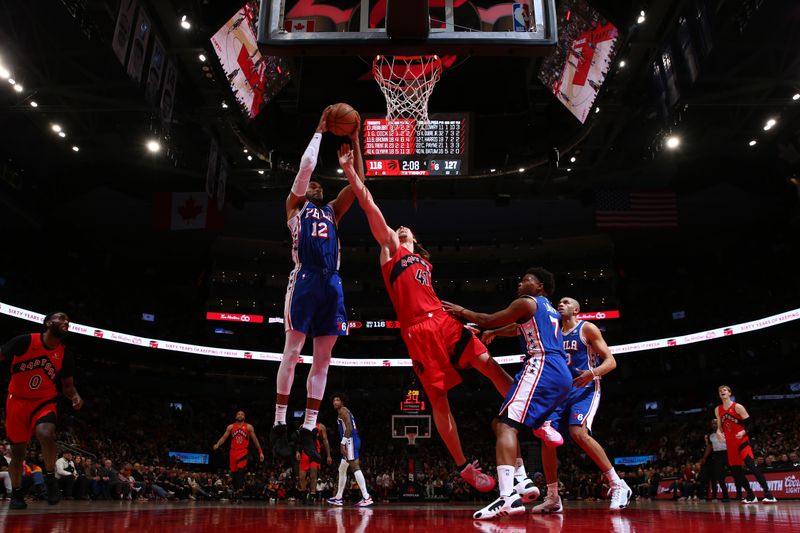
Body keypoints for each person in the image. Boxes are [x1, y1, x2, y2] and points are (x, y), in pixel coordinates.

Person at [337, 147, 520, 494]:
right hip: (418, 332)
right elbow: (370, 207)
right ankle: (464, 468)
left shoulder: (424, 262)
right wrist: (351, 173)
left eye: (408, 228)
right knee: (439, 402)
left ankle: (530, 412)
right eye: (399, 226)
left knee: (491, 365)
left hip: (445, 320)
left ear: (417, 240)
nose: (402, 226)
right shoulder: (391, 250)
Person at [272, 106, 365, 464]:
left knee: (323, 359)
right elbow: (305, 168)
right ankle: (280, 423)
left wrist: (355, 143)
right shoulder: (295, 207)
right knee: (293, 353)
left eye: (319, 186)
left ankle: (308, 428)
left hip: (332, 284)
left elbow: (359, 185)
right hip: (305, 278)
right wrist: (320, 129)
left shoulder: (333, 211)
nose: (315, 185)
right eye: (311, 184)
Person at [440, 269, 573, 520]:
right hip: (559, 374)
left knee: (505, 426)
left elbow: (488, 319)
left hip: (541, 365)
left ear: (540, 286)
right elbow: (515, 328)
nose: (520, 283)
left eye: (526, 280)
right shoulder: (548, 309)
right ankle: (523, 478)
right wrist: (496, 334)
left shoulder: (526, 302)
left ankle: (507, 496)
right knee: (500, 422)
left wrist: (462, 311)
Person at [513, 297, 630, 512]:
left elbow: (611, 362)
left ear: (576, 309)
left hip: (584, 388)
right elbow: (517, 328)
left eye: (566, 302)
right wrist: (491, 330)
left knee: (578, 432)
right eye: (559, 302)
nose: (561, 304)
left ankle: (618, 484)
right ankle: (553, 497)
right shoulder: (553, 330)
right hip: (559, 391)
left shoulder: (587, 328)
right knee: (546, 437)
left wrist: (591, 373)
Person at [0, 311, 83, 509]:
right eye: (61, 318)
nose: (66, 322)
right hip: (17, 401)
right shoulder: (25, 341)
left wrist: (75, 396)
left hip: (43, 401)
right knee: (18, 453)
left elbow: (68, 386)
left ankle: (49, 477)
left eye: (68, 320)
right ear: (47, 323)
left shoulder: (65, 354)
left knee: (45, 433)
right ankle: (17, 494)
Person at [715, 385, 776, 504]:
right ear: (719, 395)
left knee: (752, 466)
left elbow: (750, 425)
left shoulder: (738, 407)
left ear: (729, 393)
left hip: (742, 442)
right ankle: (750, 495)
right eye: (720, 391)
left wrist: (743, 431)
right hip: (730, 445)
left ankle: (769, 494)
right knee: (736, 472)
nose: (722, 391)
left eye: (725, 390)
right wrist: (718, 432)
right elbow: (719, 427)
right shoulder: (718, 409)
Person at [326, 393, 372, 507]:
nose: (335, 402)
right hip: (351, 440)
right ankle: (338, 497)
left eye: (338, 400)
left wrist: (342, 444)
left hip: (350, 441)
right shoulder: (344, 411)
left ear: (342, 402)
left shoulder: (343, 411)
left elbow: (350, 428)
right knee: (341, 469)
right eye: (334, 400)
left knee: (355, 467)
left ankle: (367, 497)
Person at [213, 410, 264, 499]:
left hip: (243, 451)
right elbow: (224, 437)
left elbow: (255, 440)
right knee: (234, 474)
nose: (240, 415)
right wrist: (217, 444)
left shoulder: (249, 427)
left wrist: (260, 452)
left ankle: (240, 490)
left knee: (241, 471)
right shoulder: (231, 427)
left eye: (242, 414)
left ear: (244, 417)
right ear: (236, 417)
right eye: (238, 414)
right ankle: (236, 491)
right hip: (233, 452)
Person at [296, 422, 332, 502]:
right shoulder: (302, 425)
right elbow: (299, 441)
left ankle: (312, 494)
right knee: (301, 476)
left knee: (313, 474)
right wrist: (298, 451)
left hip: (315, 452)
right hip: (305, 452)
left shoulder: (321, 426)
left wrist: (328, 455)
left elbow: (325, 441)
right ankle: (304, 493)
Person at [699, 419, 730, 501]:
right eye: (712, 423)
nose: (713, 424)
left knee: (736, 473)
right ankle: (726, 496)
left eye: (715, 423)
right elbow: (709, 447)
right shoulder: (710, 435)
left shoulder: (726, 431)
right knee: (719, 477)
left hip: (728, 453)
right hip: (717, 456)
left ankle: (740, 495)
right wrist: (704, 457)